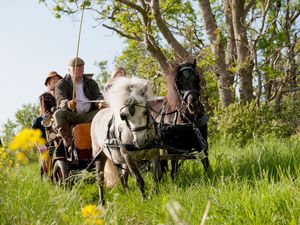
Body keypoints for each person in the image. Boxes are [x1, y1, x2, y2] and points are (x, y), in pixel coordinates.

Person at [53, 57, 104, 150]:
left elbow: (98, 95)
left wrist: (100, 103)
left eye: (81, 67)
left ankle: (106, 140)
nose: (78, 69)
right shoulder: (61, 83)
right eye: (75, 67)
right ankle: (68, 143)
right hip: (72, 115)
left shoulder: (91, 82)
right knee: (58, 114)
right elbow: (60, 99)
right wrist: (68, 104)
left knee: (105, 112)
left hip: (90, 115)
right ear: (69, 69)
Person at [32, 71, 63, 139]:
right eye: (54, 79)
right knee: (37, 121)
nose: (56, 80)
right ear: (48, 83)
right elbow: (45, 112)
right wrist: (55, 117)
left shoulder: (63, 95)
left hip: (64, 118)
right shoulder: (44, 97)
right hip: (51, 121)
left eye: (58, 79)